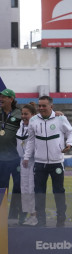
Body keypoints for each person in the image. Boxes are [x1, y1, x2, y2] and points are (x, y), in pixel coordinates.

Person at [23, 95, 72, 227]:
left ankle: (61, 219)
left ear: (51, 106)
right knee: (39, 193)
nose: (41, 108)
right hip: (39, 163)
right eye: (39, 106)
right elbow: (31, 140)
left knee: (59, 191)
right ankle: (41, 221)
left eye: (44, 105)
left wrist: (69, 143)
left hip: (56, 162)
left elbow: (70, 132)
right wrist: (27, 156)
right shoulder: (33, 120)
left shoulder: (60, 118)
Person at [0, 88, 22, 221]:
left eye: (4, 97)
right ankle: (0, 215)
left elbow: (34, 120)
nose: (0, 99)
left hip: (18, 157)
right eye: (0, 97)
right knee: (2, 188)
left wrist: (58, 113)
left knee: (18, 187)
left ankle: (14, 215)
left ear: (11, 99)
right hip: (2, 158)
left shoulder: (20, 113)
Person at [16, 103, 38, 226]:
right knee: (24, 189)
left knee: (32, 188)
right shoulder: (20, 125)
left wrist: (58, 114)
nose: (23, 116)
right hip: (22, 161)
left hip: (33, 160)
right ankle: (29, 215)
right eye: (22, 114)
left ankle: (35, 215)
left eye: (26, 114)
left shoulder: (36, 125)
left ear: (33, 115)